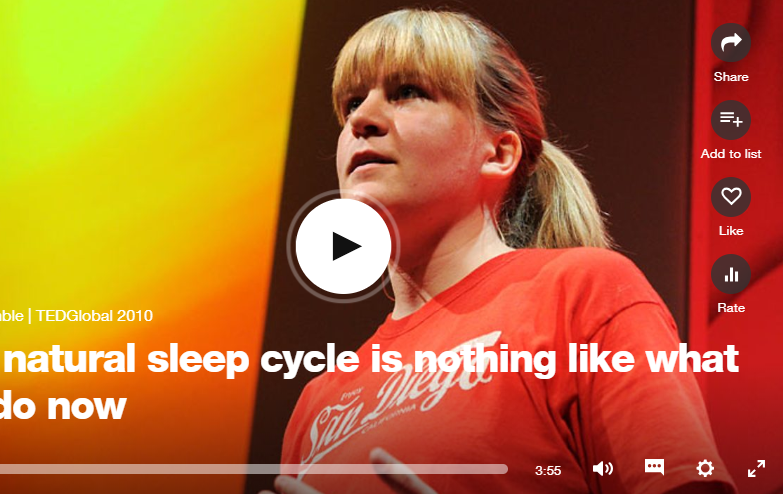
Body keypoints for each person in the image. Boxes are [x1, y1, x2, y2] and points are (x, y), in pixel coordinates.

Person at [263, 8, 736, 494]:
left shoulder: (581, 294)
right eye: (351, 103)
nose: (361, 119)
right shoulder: (318, 403)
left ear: (498, 152)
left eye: (408, 92)